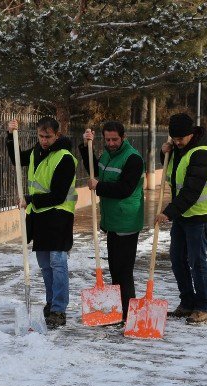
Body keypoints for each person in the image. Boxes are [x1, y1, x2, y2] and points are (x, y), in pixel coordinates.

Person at [7, 117, 77, 329]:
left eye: (48, 137)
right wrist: (11, 136)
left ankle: (59, 308)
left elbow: (57, 195)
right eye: (41, 136)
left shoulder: (65, 158)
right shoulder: (37, 152)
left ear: (58, 135)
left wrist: (29, 199)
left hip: (59, 215)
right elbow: (17, 159)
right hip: (39, 216)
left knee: (58, 263)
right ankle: (50, 303)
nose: (44, 140)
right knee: (45, 265)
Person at [155, 113, 207, 325]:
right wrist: (163, 154)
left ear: (191, 134)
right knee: (177, 259)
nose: (178, 141)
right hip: (183, 215)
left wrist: (168, 212)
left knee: (196, 262)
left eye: (181, 138)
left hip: (200, 216)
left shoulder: (202, 153)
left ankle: (202, 307)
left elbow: (191, 191)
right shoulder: (178, 149)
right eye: (174, 138)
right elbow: (171, 172)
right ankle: (187, 303)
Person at [79, 121, 145, 322]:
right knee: (115, 269)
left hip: (126, 220)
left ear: (123, 137)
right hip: (112, 221)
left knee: (124, 271)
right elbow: (96, 171)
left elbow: (125, 189)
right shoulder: (108, 154)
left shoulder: (133, 158)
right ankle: (121, 311)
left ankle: (128, 315)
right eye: (107, 139)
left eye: (115, 139)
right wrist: (85, 147)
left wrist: (99, 186)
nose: (111, 143)